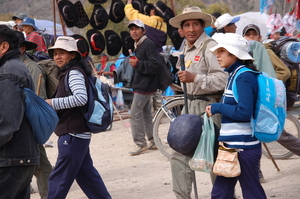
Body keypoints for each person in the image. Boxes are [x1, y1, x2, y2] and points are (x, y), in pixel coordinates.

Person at [168, 6, 228, 199]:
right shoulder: (184, 46)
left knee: (212, 156)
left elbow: (223, 79)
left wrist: (196, 78)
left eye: (195, 24)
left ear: (203, 26)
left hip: (209, 108)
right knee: (179, 153)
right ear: (181, 30)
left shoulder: (211, 46)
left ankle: (223, 196)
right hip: (188, 106)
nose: (191, 29)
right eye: (187, 25)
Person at [45, 36, 111, 199]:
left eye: (62, 53)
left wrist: (51, 103)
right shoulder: (70, 72)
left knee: (59, 180)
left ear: (73, 55)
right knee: (89, 178)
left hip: (72, 135)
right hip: (77, 135)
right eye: (55, 54)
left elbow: (81, 98)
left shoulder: (73, 73)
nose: (57, 57)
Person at [206, 33, 267, 199]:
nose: (217, 55)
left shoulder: (244, 76)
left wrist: (218, 107)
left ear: (234, 54)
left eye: (221, 51)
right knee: (220, 193)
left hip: (244, 147)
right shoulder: (234, 74)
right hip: (232, 147)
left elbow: (244, 112)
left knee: (252, 193)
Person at [0, 25, 39, 199]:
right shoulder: (15, 67)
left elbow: (7, 122)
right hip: (20, 156)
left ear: (4, 47)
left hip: (11, 159)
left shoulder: (8, 72)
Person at [15, 30, 52, 199]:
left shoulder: (31, 67)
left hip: (27, 124)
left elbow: (39, 99)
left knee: (42, 167)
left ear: (22, 48)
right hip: (12, 125)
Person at [127, 19, 161, 155]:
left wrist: (137, 64)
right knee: (146, 114)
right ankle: (153, 142)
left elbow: (155, 65)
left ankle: (140, 144)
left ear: (144, 31)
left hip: (145, 85)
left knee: (135, 113)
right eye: (131, 29)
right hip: (143, 84)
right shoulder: (139, 44)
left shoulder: (148, 44)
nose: (134, 31)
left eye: (137, 29)